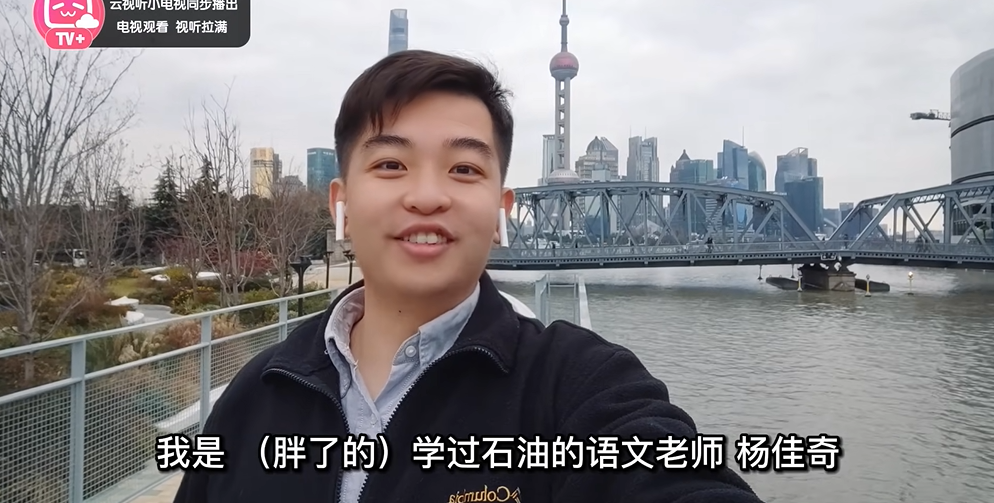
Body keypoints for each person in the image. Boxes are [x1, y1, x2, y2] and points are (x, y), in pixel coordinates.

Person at [173, 50, 764, 503]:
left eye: (463, 168)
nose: (428, 196)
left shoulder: (578, 387)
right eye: (390, 164)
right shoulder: (257, 393)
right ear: (341, 204)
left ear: (503, 211)